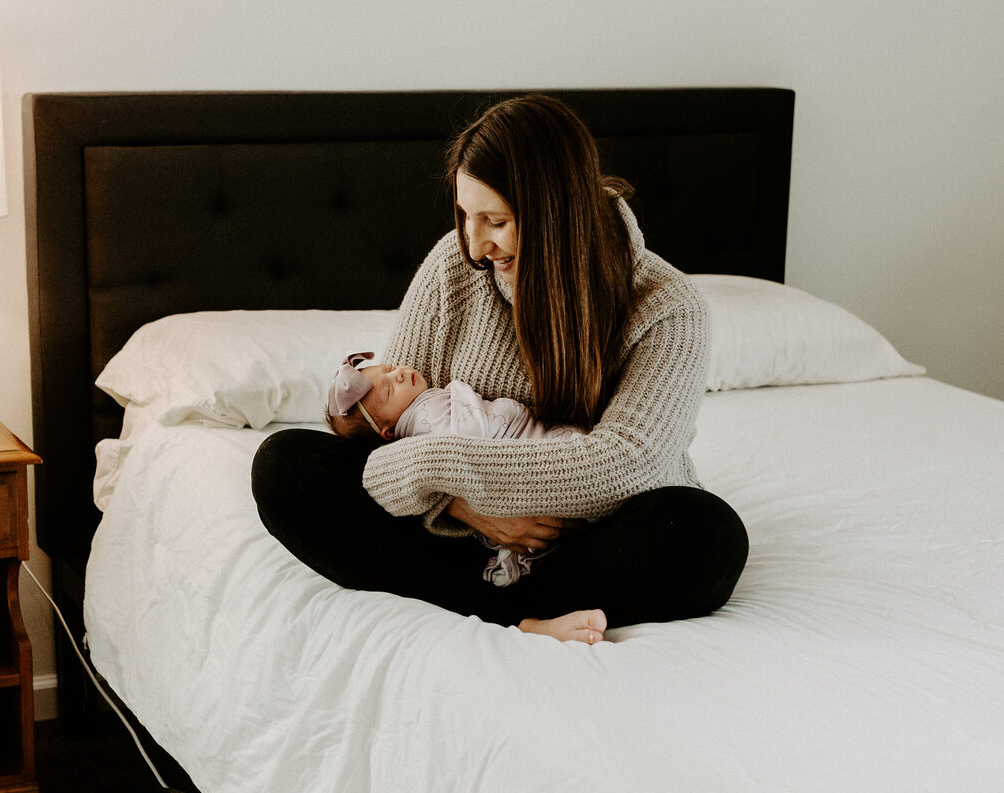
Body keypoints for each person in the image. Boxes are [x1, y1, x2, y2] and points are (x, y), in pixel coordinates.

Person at [252, 94, 749, 645]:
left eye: (497, 221)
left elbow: (624, 466)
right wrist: (467, 509)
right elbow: (384, 434)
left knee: (707, 537)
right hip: (464, 537)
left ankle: (499, 604)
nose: (475, 243)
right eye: (465, 216)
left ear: (557, 215)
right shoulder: (453, 267)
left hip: (586, 537)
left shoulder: (668, 308)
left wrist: (452, 474)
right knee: (285, 465)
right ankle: (520, 617)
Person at [325, 350, 583, 587]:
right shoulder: (424, 419)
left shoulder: (424, 400)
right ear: (388, 431)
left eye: (390, 368)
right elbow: (466, 448)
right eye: (390, 390)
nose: (399, 373)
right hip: (524, 467)